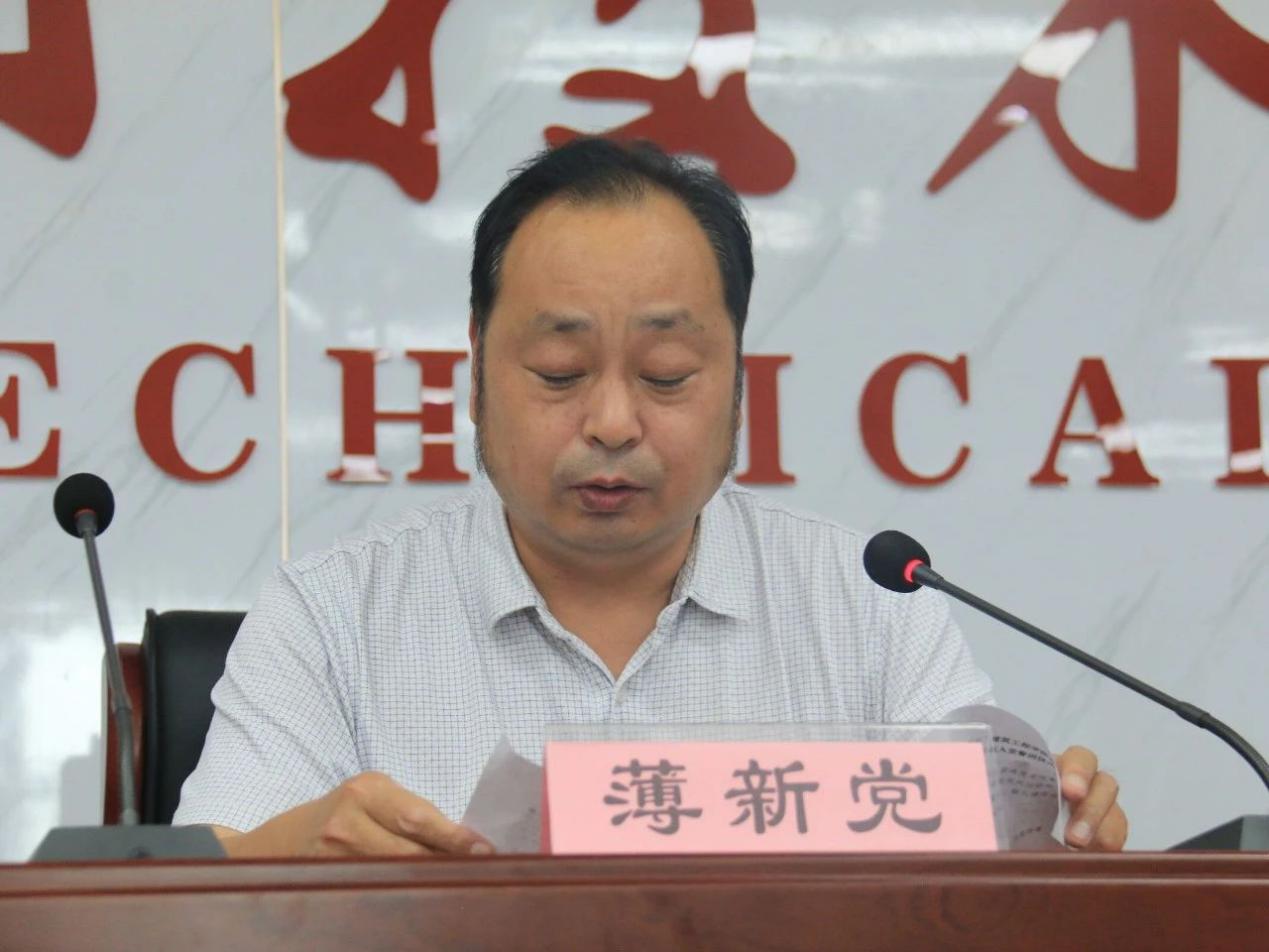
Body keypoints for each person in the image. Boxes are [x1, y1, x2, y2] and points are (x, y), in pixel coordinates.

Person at [174, 138, 1127, 856]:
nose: (612, 422)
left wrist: (1056, 844)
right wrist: (287, 855)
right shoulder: (331, 617)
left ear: (738, 377)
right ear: (475, 364)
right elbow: (187, 902)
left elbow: (979, 867)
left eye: (666, 374)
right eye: (558, 372)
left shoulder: (871, 604)